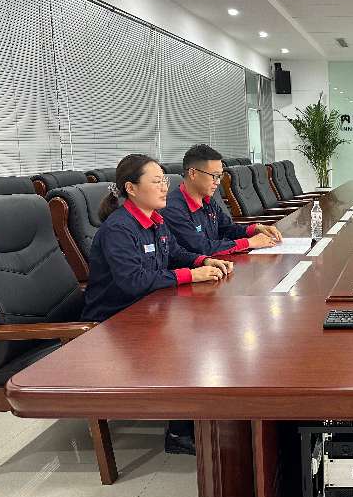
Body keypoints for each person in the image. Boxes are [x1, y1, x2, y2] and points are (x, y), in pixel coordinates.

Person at [82, 153, 234, 455]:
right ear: (131, 188)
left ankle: (210, 414)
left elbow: (175, 252)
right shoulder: (119, 229)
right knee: (191, 339)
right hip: (113, 322)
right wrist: (190, 275)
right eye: (156, 181)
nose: (165, 187)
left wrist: (203, 260)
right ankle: (180, 432)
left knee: (209, 326)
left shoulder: (155, 219)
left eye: (164, 180)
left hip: (147, 308)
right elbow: (133, 281)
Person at [161, 144, 282, 255]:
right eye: (214, 176)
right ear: (193, 173)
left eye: (220, 176)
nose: (218, 182)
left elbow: (227, 229)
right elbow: (201, 248)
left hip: (219, 263)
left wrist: (255, 229)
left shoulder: (208, 200)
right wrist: (249, 243)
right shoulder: (173, 209)